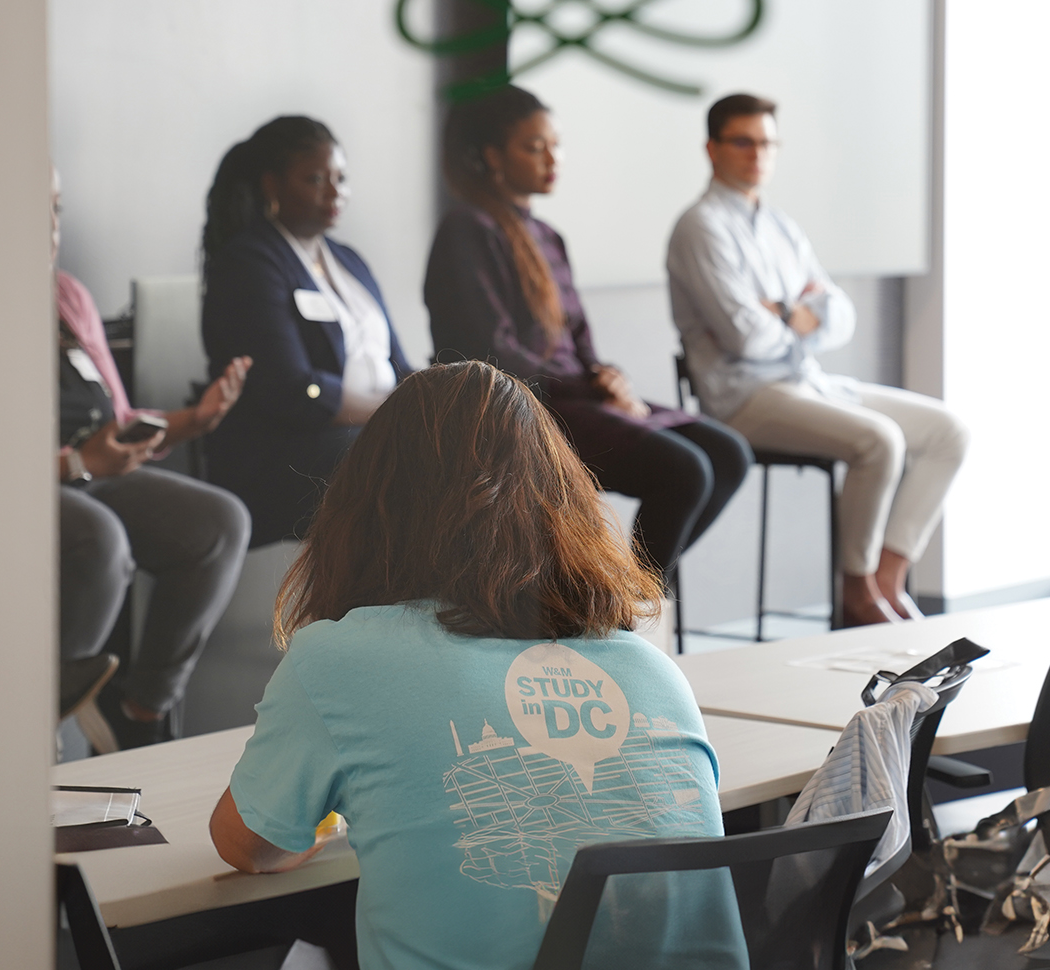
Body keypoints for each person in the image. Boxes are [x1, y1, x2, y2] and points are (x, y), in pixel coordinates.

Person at [209, 361, 745, 970]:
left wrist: (317, 821)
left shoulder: (338, 660)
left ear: (369, 506)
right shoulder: (652, 669)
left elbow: (247, 845)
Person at [666, 94, 969, 626]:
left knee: (949, 431)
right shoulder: (700, 227)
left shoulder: (782, 228)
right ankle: (856, 596)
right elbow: (743, 338)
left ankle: (885, 582)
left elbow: (839, 315)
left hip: (809, 383)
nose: (757, 154)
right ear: (712, 149)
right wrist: (801, 317)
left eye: (767, 143)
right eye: (743, 141)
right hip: (745, 399)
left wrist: (781, 313)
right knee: (880, 440)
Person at [424, 85, 751, 578]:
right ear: (491, 156)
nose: (551, 158)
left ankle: (629, 593)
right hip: (525, 412)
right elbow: (490, 350)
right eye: (534, 147)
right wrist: (591, 385)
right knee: (684, 470)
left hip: (575, 398)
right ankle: (627, 602)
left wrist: (606, 376)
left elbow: (579, 341)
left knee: (729, 453)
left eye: (555, 144)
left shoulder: (547, 235)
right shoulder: (468, 231)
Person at [55, 171, 254, 749]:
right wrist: (72, 465)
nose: (48, 225)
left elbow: (117, 416)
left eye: (56, 207)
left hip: (97, 468)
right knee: (98, 537)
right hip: (28, 480)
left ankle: (140, 710)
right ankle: (51, 717)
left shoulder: (66, 294)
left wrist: (193, 419)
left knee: (217, 523)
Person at [202, 116, 414, 547]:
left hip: (374, 431)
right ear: (271, 185)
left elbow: (399, 363)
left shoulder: (349, 260)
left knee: (477, 443)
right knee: (403, 459)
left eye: (341, 178)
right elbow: (292, 391)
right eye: (316, 179)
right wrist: (396, 417)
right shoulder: (249, 263)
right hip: (289, 457)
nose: (335, 192)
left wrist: (435, 401)